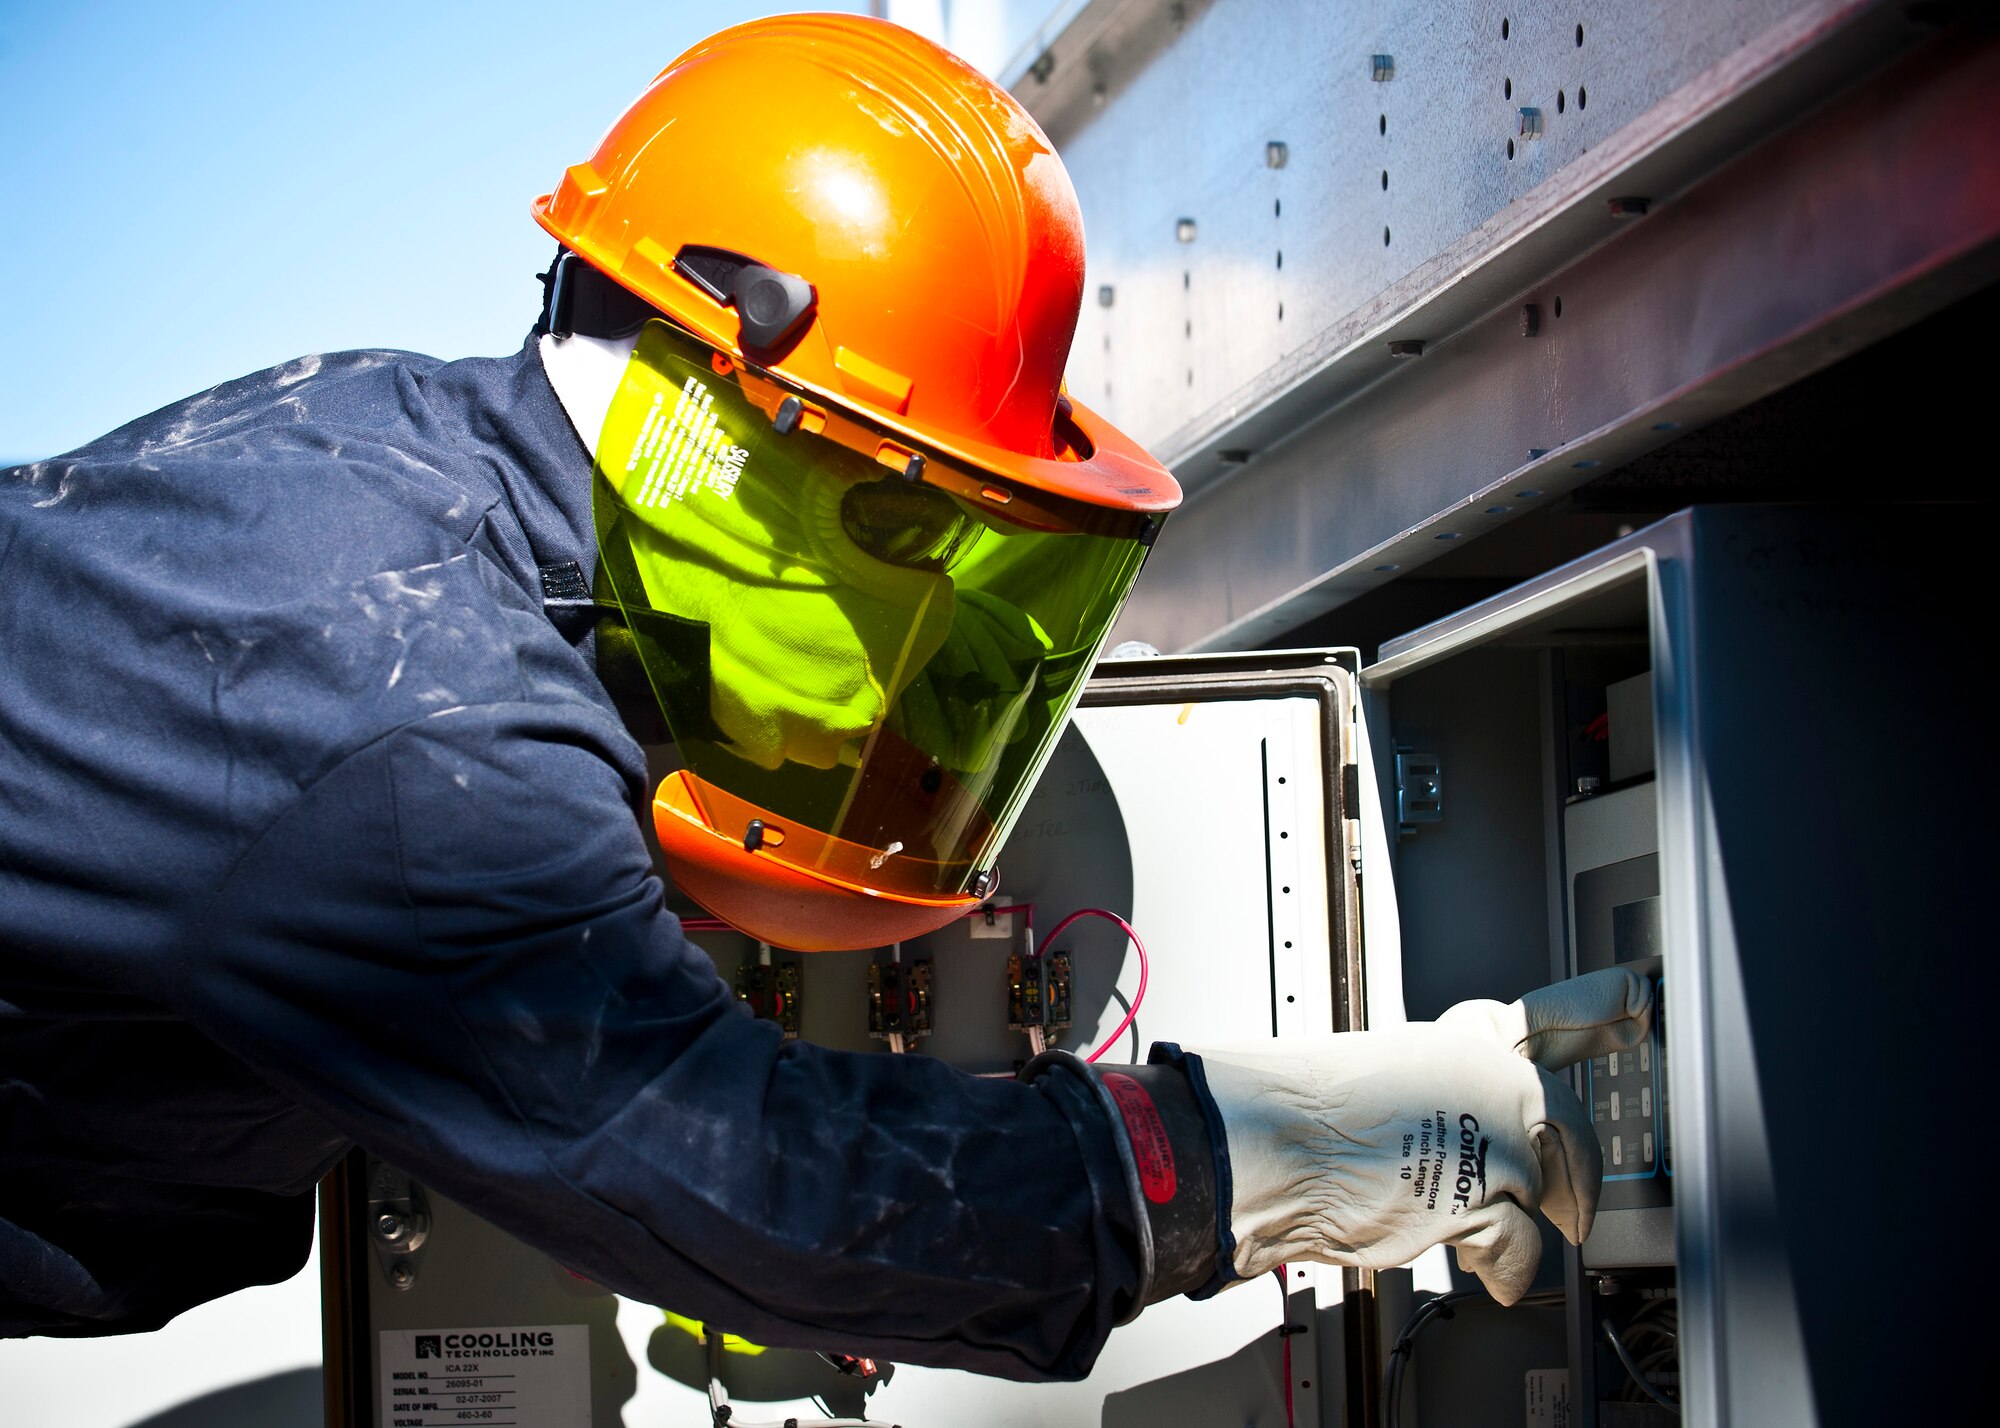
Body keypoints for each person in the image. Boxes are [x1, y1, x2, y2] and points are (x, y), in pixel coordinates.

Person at [0, 13, 1649, 1379]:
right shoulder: (418, 747)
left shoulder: (392, 458)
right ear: (709, 430)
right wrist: (1289, 1156)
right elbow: (768, 1196)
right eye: (892, 528)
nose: (907, 666)